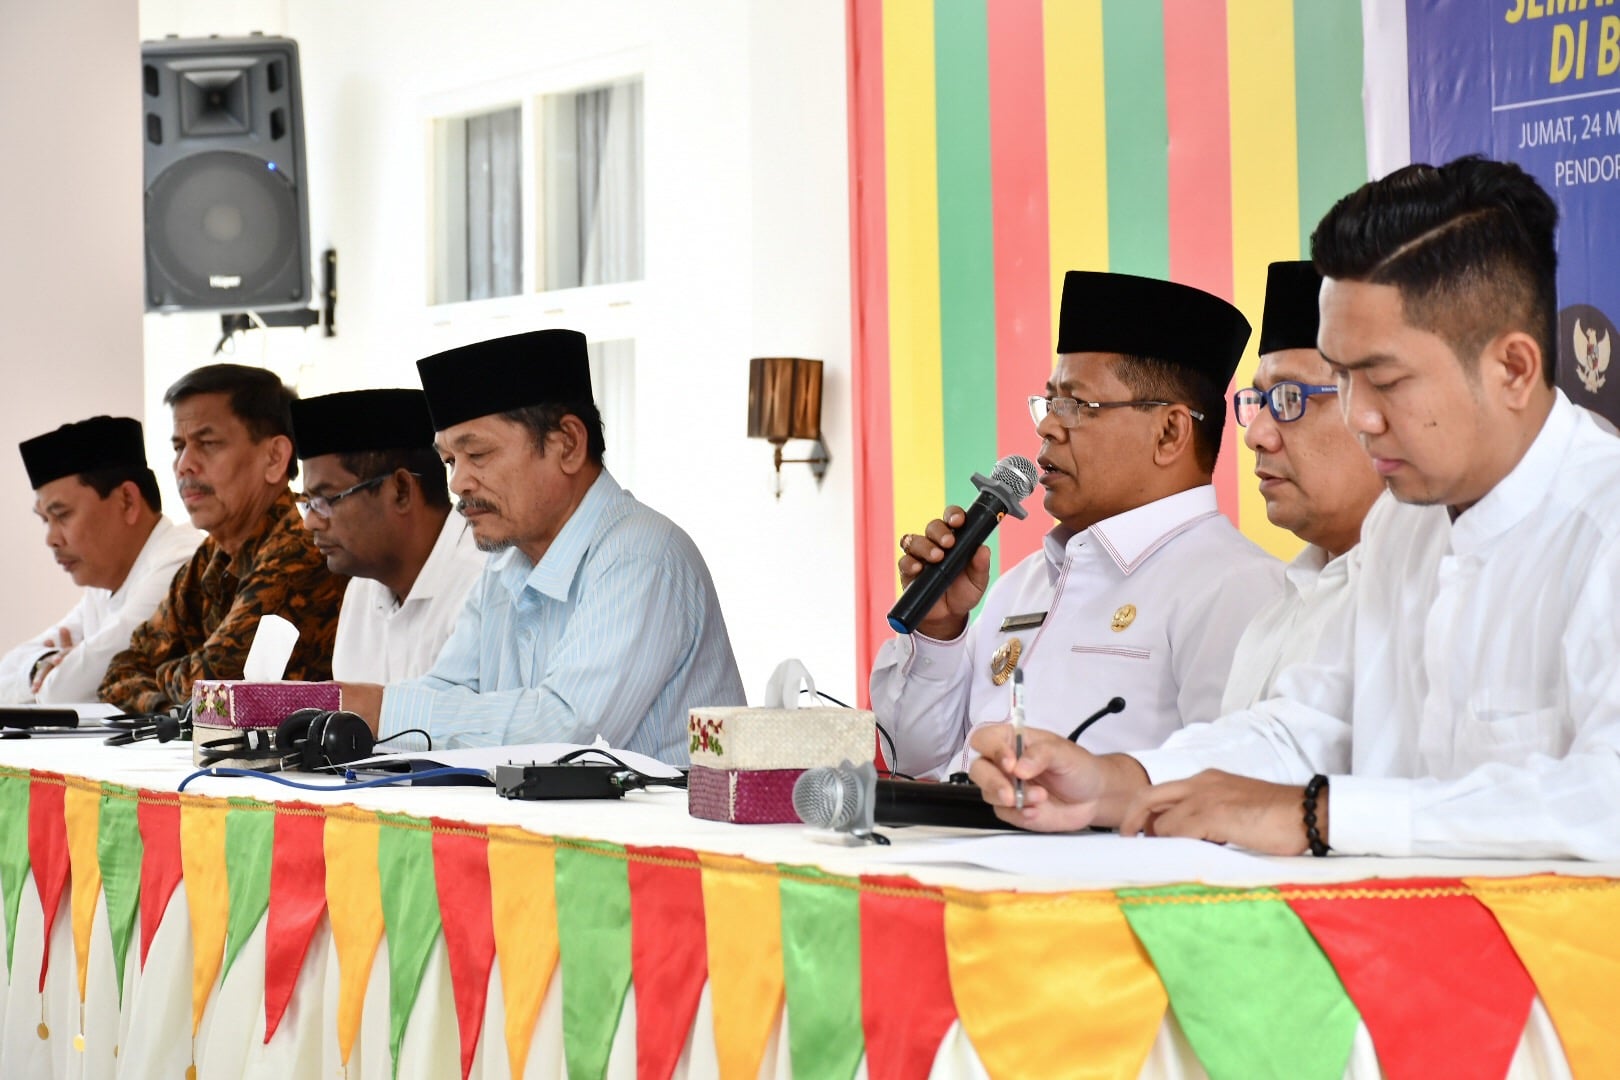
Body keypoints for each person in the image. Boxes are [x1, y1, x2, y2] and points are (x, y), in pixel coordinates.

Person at [969, 156, 1620, 861]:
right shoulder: (1404, 526)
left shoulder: (1603, 523)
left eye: (1384, 380)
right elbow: (1303, 727)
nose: (1361, 418)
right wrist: (1114, 784)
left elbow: (1603, 797)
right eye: (1342, 380)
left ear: (1513, 369)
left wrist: (1319, 816)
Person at [871, 271, 1285, 777]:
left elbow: (1225, 790)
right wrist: (938, 631)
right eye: (1049, 403)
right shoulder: (1021, 586)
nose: (1047, 425)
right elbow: (916, 760)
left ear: (1169, 432)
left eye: (1075, 405)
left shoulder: (1235, 588)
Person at [336, 328, 745, 764]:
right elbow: (445, 690)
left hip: (675, 813)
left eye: (478, 455)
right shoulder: (503, 567)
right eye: (450, 461)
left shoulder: (640, 556)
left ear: (567, 444)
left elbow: (567, 734)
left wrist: (376, 710)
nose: (458, 482)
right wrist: (345, 715)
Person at [99, 365, 348, 713]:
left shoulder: (303, 547)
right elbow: (119, 672)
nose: (184, 465)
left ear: (274, 457)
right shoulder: (210, 555)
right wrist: (171, 704)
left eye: (208, 444)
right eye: (179, 447)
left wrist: (164, 682)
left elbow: (216, 689)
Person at [1220, 262, 1386, 711]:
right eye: (1259, 400)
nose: (1257, 435)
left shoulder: (1424, 601)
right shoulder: (1272, 618)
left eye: (1290, 398)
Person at [0, 417, 200, 703]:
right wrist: (42, 666)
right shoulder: (103, 590)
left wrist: (65, 673)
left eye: (62, 515)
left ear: (127, 501)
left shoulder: (181, 564)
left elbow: (63, 692)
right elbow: (5, 675)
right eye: (46, 520)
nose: (51, 539)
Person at [290, 388, 484, 683]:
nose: (310, 522)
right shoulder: (361, 591)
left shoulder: (482, 584)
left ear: (401, 490)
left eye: (326, 499)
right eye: (308, 503)